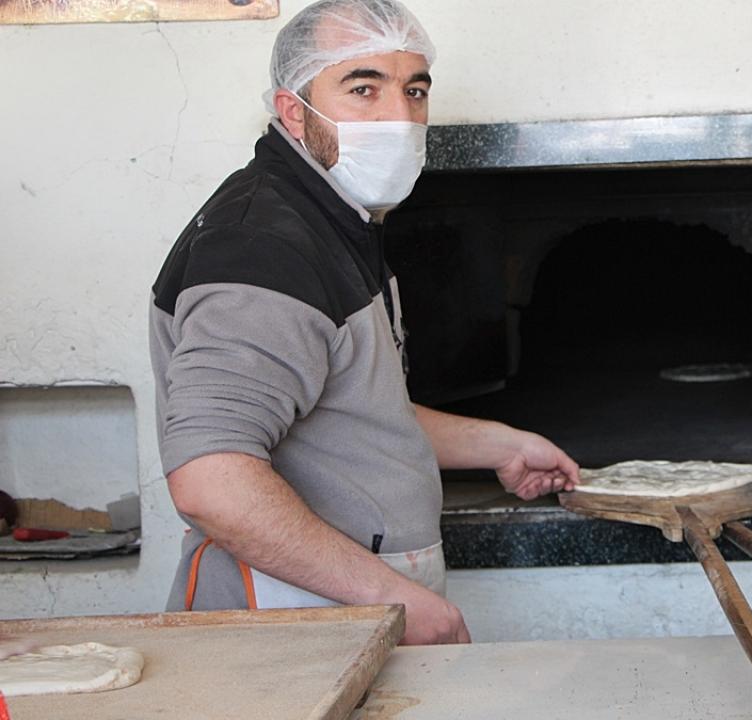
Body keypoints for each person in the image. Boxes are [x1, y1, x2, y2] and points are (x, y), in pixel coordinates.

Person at [148, 0, 578, 645]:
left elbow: (350, 403)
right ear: (294, 110)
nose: (398, 118)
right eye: (362, 88)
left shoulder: (333, 219)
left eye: (413, 91)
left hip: (342, 601)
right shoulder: (263, 249)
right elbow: (212, 478)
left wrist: (500, 444)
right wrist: (395, 598)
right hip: (289, 613)